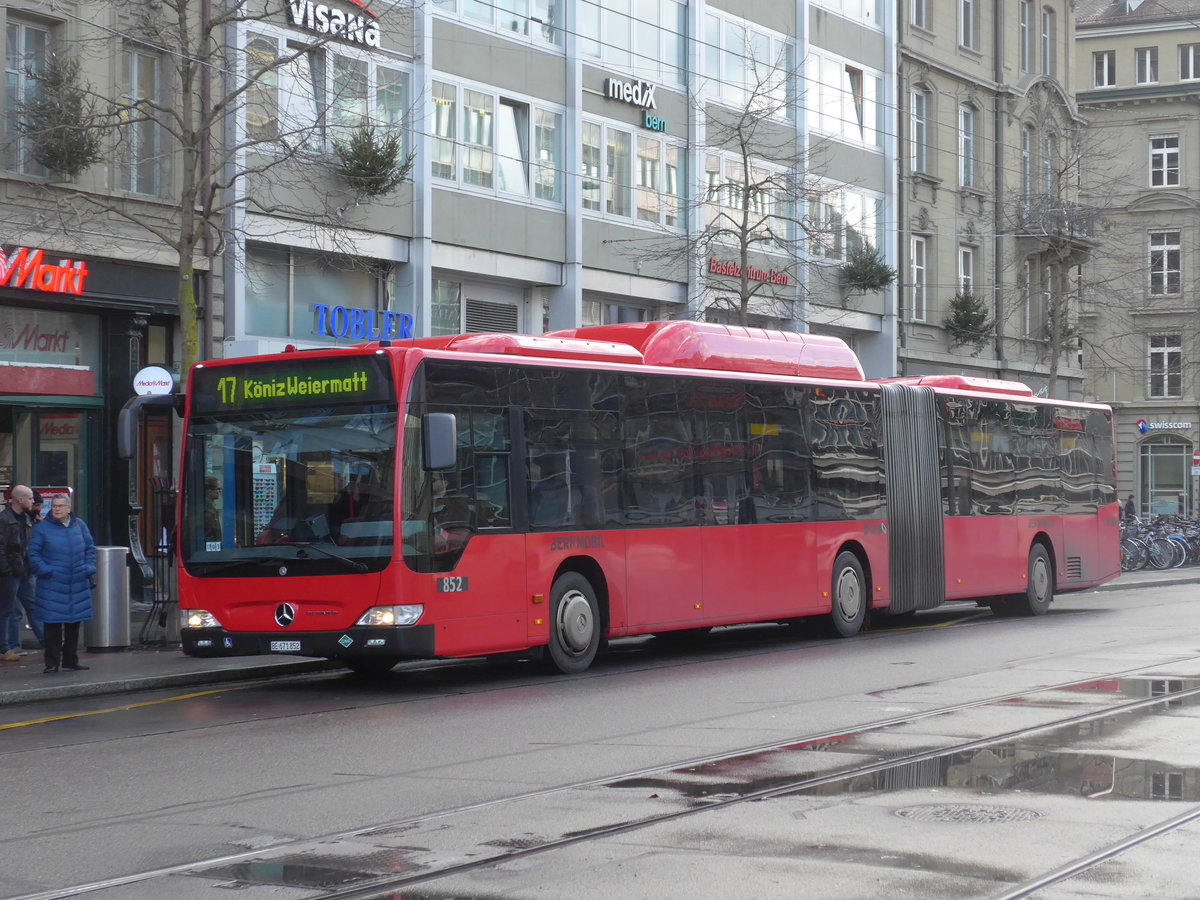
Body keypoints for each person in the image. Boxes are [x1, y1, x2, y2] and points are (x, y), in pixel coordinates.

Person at [27, 494, 96, 674]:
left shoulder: (80, 525)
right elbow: (33, 554)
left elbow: (90, 548)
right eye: (54, 506)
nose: (56, 509)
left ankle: (71, 660)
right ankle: (51, 663)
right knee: (52, 625)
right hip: (52, 584)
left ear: (69, 508)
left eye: (60, 506)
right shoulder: (42, 528)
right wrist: (46, 570)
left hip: (77, 582)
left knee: (73, 624)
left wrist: (89, 567)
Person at [0, 485, 37, 661]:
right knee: (7, 610)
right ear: (20, 499)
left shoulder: (26, 518)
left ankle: (47, 641)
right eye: (30, 498)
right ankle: (4, 648)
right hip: (11, 571)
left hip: (23, 569)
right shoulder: (5, 519)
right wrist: (6, 570)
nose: (33, 501)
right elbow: (2, 547)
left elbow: (26, 545)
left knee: (31, 606)